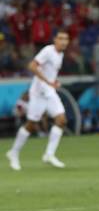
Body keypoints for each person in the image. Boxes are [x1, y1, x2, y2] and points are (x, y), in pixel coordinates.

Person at [6, 31, 71, 170]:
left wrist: (54, 82)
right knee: (31, 125)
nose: (64, 41)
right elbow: (32, 66)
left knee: (61, 120)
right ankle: (14, 152)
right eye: (61, 38)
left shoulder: (60, 54)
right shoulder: (48, 50)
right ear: (55, 40)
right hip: (38, 93)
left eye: (66, 39)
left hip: (49, 92)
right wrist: (48, 81)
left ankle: (49, 154)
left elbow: (50, 73)